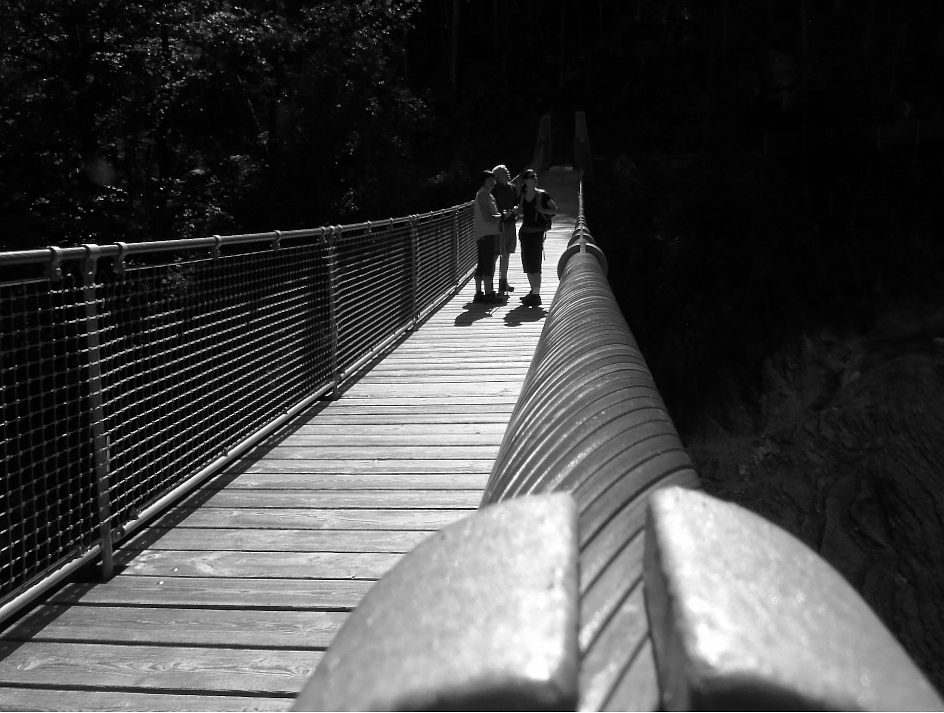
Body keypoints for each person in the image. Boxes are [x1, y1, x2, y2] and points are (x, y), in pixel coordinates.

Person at [515, 168, 557, 307]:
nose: (535, 179)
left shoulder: (542, 195)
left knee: (535, 262)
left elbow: (555, 210)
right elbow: (522, 213)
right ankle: (533, 291)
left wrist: (542, 209)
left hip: (537, 233)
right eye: (532, 177)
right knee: (527, 263)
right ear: (525, 181)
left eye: (535, 177)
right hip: (525, 233)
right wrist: (517, 211)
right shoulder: (523, 195)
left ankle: (536, 294)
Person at [472, 169, 503, 304]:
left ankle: (479, 293)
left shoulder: (487, 194)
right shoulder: (484, 195)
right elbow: (487, 216)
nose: (492, 181)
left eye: (493, 178)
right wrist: (502, 217)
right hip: (486, 234)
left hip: (485, 233)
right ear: (483, 181)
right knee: (488, 264)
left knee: (482, 263)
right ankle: (489, 294)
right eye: (489, 179)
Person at [491, 164, 518, 295]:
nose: (507, 173)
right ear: (497, 176)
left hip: (510, 224)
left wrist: (515, 211)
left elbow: (516, 202)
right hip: (497, 225)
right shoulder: (492, 190)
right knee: (495, 254)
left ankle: (503, 282)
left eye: (507, 171)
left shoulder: (512, 188)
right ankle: (489, 284)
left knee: (506, 254)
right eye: (503, 172)